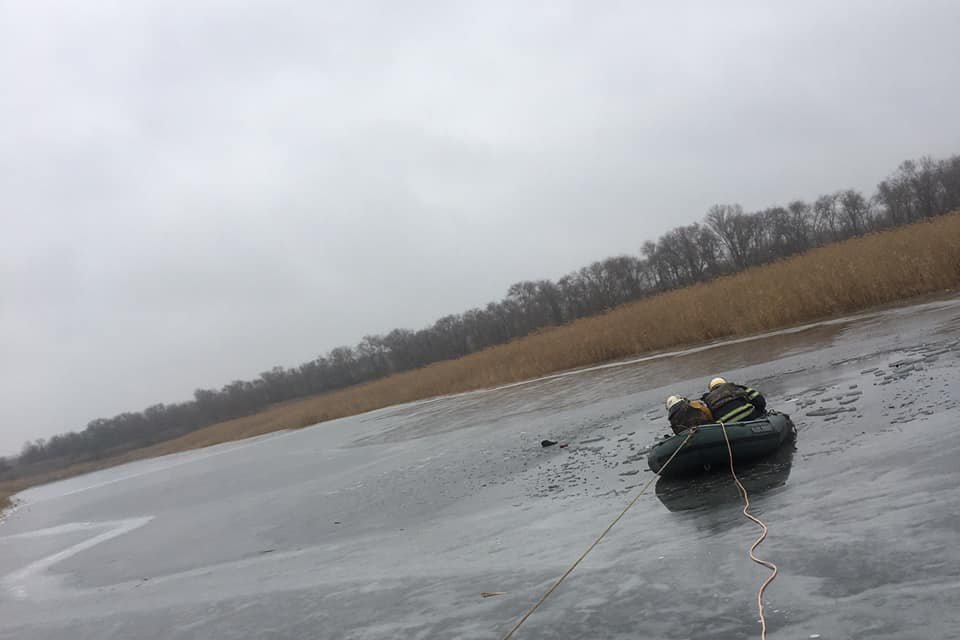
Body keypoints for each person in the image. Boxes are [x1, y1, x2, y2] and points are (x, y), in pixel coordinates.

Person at [701, 377, 767, 424]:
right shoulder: (736, 387)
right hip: (749, 415)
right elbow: (760, 401)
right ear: (725, 383)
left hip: (727, 425)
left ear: (711, 389)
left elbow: (710, 418)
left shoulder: (707, 400)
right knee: (763, 412)